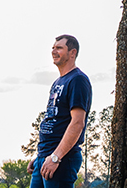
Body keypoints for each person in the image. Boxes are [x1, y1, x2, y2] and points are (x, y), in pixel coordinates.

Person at [32, 34, 92, 188]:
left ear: (72, 53)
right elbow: (55, 119)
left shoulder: (77, 80)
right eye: (53, 48)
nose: (53, 51)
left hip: (61, 159)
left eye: (59, 48)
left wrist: (55, 157)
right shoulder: (58, 82)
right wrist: (40, 156)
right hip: (45, 156)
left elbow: (77, 122)